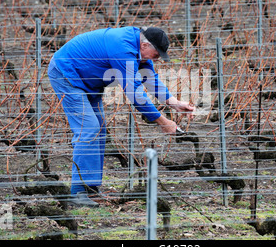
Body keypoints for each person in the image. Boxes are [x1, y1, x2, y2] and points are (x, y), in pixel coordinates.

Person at [48, 26, 194, 207]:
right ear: (145, 45)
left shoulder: (138, 50)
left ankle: (91, 189)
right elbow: (135, 95)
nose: (157, 59)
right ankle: (78, 192)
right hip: (66, 74)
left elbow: (150, 78)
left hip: (88, 82)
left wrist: (174, 103)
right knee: (89, 128)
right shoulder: (123, 49)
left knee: (98, 129)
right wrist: (162, 122)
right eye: (156, 55)